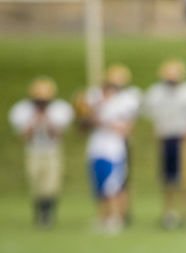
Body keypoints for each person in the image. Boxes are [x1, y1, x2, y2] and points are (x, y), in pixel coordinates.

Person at [144, 59, 186, 229]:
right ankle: (169, 212)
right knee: (167, 178)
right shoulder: (157, 93)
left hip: (183, 138)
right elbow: (152, 115)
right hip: (165, 137)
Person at [79, 64, 141, 234]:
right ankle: (104, 216)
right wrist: (97, 108)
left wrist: (107, 122)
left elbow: (126, 128)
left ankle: (117, 217)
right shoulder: (96, 98)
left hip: (114, 148)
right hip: (97, 146)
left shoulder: (128, 100)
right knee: (99, 185)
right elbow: (84, 122)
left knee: (113, 186)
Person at [8, 77, 74, 228]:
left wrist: (47, 119)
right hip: (33, 150)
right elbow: (24, 136)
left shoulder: (59, 109)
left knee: (51, 184)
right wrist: (35, 120)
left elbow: (57, 134)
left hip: (52, 150)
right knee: (36, 183)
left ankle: (49, 214)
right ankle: (40, 214)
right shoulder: (23, 110)